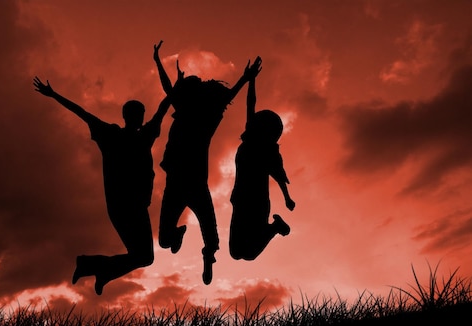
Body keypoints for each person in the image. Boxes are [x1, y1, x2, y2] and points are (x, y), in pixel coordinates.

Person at [33, 76, 171, 295]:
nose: (141, 118)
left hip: (126, 207)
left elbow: (164, 106)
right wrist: (54, 95)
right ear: (129, 116)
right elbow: (82, 113)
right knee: (144, 257)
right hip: (128, 207)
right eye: (138, 114)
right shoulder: (121, 135)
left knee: (143, 257)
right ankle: (92, 265)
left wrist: (173, 87)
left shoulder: (131, 135)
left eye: (141, 114)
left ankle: (95, 268)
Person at [153, 40, 262, 285]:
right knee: (165, 241)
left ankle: (207, 256)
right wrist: (245, 78)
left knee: (211, 239)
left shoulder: (201, 116)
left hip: (193, 184)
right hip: (178, 184)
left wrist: (246, 79)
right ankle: (185, 237)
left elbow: (170, 88)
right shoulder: (199, 114)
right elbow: (170, 88)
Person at [228, 57, 295, 261]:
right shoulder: (249, 142)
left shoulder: (265, 150)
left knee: (247, 254)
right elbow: (251, 105)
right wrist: (251, 80)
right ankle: (274, 227)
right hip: (240, 199)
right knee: (235, 252)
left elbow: (278, 175)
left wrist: (287, 197)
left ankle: (275, 227)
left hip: (256, 203)